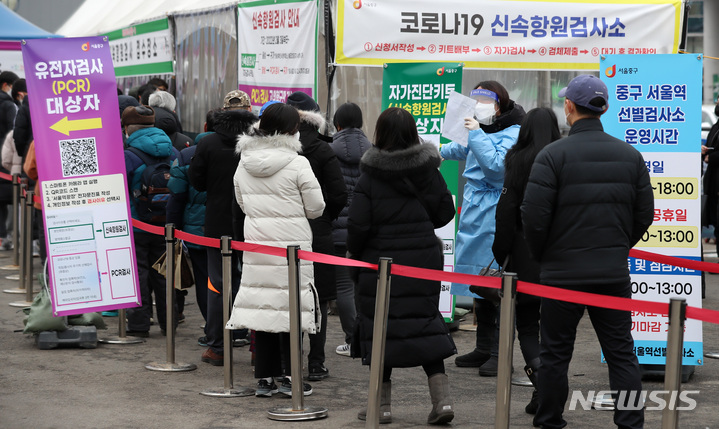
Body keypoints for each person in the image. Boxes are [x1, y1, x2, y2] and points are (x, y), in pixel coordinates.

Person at [521, 74, 654, 429]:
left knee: (554, 354)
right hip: (612, 273)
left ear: (568, 107)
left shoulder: (553, 155)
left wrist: (544, 256)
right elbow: (645, 214)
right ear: (605, 108)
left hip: (561, 273)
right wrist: (618, 247)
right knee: (621, 353)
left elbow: (533, 217)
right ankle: (630, 422)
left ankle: (549, 419)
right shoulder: (630, 155)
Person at [348, 107, 457, 425]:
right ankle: (443, 402)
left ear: (379, 133)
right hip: (422, 261)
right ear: (412, 133)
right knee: (424, 322)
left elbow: (357, 225)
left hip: (380, 264)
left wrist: (357, 255)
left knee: (379, 327)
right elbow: (444, 213)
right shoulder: (429, 170)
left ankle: (379, 407)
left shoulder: (370, 175)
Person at [226, 102, 325, 397]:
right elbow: (316, 208)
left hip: (257, 242)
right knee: (291, 309)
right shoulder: (297, 163)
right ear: (292, 129)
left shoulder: (244, 161)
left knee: (263, 308)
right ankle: (290, 378)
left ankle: (265, 379)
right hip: (292, 246)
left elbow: (242, 203)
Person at [440, 81, 525, 375]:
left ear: (500, 104)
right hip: (476, 208)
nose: (478, 106)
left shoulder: (513, 131)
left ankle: (500, 354)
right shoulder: (481, 129)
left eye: (484, 101)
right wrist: (432, 149)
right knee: (478, 282)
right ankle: (483, 346)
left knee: (496, 281)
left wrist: (475, 132)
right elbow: (462, 147)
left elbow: (496, 167)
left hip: (494, 209)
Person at [490, 107, 560, 415]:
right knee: (557, 332)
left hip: (525, 256)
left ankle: (544, 389)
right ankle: (542, 393)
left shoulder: (517, 160)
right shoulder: (563, 156)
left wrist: (500, 252)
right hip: (562, 257)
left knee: (528, 326)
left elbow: (505, 213)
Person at [188, 90, 256, 365]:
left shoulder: (207, 143)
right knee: (255, 283)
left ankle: (217, 346)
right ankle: (257, 349)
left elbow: (197, 181)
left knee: (217, 285)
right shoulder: (257, 143)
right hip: (253, 222)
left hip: (217, 223)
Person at [286, 91, 347, 381]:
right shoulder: (324, 151)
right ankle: (316, 361)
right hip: (318, 233)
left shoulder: (278, 148)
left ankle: (289, 361)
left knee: (287, 296)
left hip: (283, 234)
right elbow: (338, 194)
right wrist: (324, 219)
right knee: (318, 298)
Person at [123, 105, 180, 337]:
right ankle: (170, 323)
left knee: (138, 272)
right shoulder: (174, 152)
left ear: (127, 128)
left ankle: (138, 324)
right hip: (167, 223)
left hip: (137, 223)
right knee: (165, 272)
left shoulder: (127, 155)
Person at [328, 102, 371, 357]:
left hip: (337, 230)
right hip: (365, 230)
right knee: (364, 288)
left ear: (337, 125)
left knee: (343, 288)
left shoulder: (329, 151)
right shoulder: (374, 151)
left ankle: (352, 340)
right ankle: (366, 338)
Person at [702, 100, 719, 253]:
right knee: (716, 226)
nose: (717, 103)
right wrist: (704, 152)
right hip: (714, 185)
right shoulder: (716, 126)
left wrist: (711, 157)